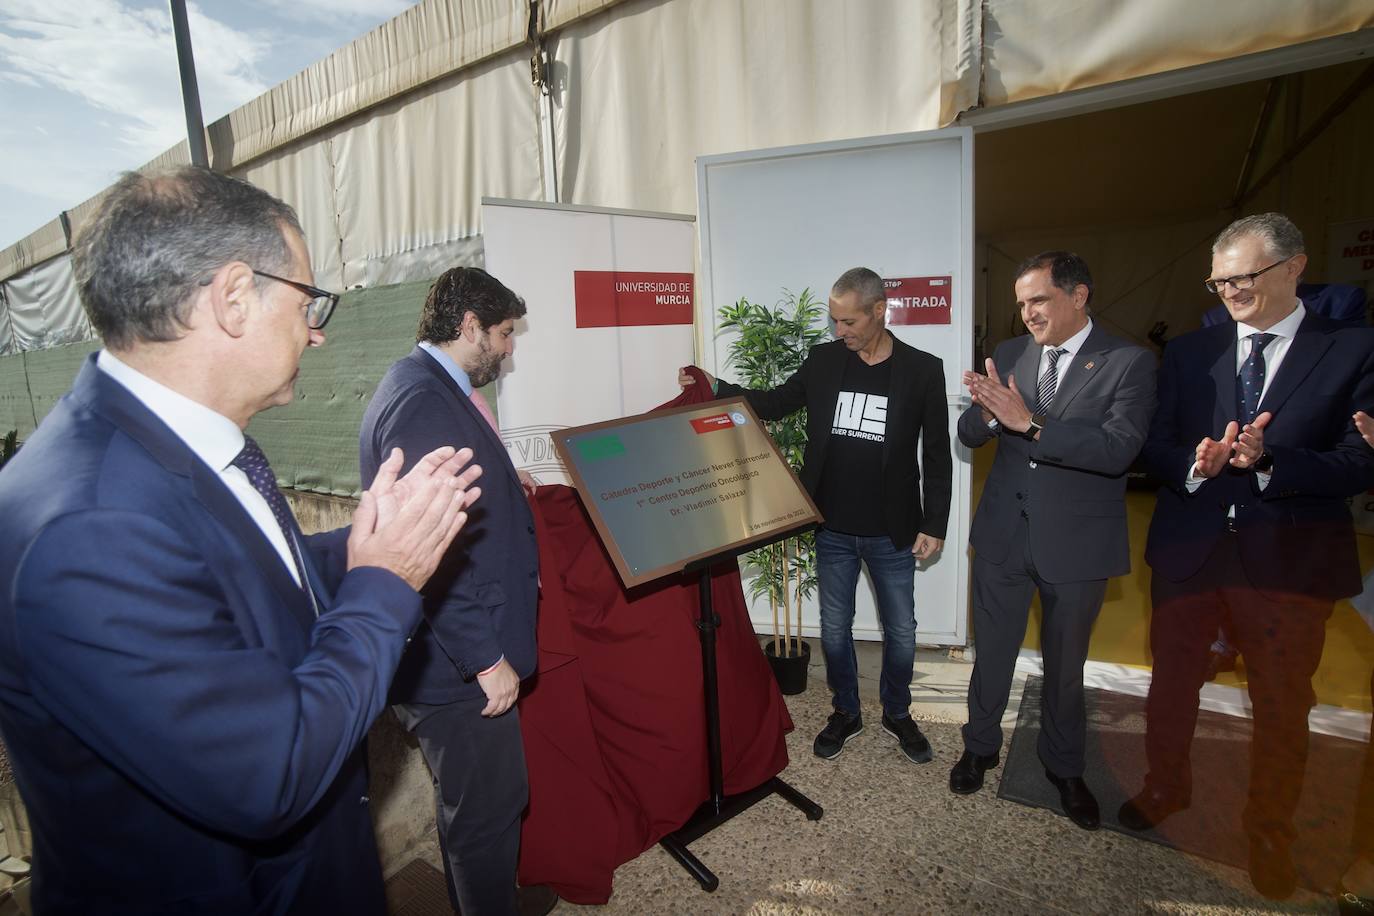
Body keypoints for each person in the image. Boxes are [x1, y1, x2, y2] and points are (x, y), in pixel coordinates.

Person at [0, 166, 483, 915]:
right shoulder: (88, 529)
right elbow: (270, 774)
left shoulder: (167, 447)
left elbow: (240, 586)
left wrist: (377, 538)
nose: (316, 331)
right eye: (306, 301)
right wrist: (385, 583)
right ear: (232, 297)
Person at [1119, 213, 1374, 901]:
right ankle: (1164, 785)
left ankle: (1269, 829)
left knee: (1283, 704)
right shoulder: (1189, 355)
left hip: (1289, 562)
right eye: (1220, 279)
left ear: (1294, 267)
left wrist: (1271, 463)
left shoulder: (1352, 349)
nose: (1230, 290)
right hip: (1191, 548)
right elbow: (1156, 444)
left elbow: (1359, 462)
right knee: (1171, 685)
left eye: (1244, 276)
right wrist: (1195, 466)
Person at [680, 267, 952, 765]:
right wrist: (715, 386)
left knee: (902, 632)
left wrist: (935, 523)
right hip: (831, 526)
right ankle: (846, 710)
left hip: (893, 531)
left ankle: (897, 712)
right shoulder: (824, 361)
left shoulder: (922, 370)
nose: (840, 331)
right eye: (834, 321)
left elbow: (936, 454)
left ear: (878, 311)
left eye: (849, 322)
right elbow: (777, 404)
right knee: (833, 629)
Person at [360, 267, 551, 916]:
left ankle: (487, 898)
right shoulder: (420, 401)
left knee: (475, 807)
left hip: (455, 657)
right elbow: (430, 551)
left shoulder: (433, 388)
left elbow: (456, 487)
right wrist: (485, 660)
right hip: (455, 666)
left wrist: (503, 476)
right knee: (487, 810)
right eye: (502, 333)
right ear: (467, 325)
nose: (508, 347)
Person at [951, 252, 1156, 831]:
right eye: (1021, 303)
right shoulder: (1012, 353)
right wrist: (991, 414)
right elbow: (968, 433)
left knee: (1066, 667)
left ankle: (1064, 767)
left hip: (1076, 545)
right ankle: (979, 745)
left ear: (1079, 295)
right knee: (990, 653)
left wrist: (1029, 424)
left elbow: (1119, 451)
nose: (1027, 313)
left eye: (1037, 300)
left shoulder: (1127, 363)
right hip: (1002, 539)